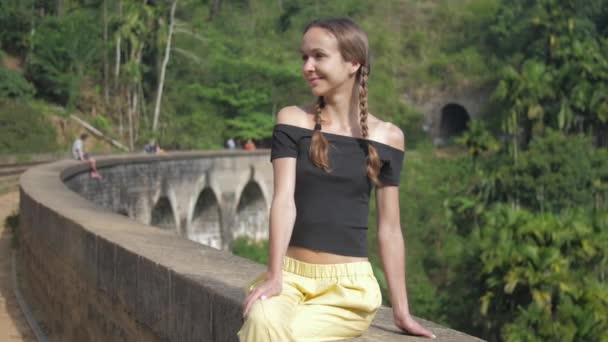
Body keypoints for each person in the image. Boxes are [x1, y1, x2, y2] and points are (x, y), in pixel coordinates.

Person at [238, 18, 435, 341]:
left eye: (318, 56)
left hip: (347, 289)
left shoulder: (388, 137)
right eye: (304, 57)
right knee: (262, 320)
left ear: (353, 63)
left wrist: (401, 310)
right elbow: (283, 200)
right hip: (291, 277)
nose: (307, 67)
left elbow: (390, 229)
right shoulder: (292, 120)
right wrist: (274, 275)